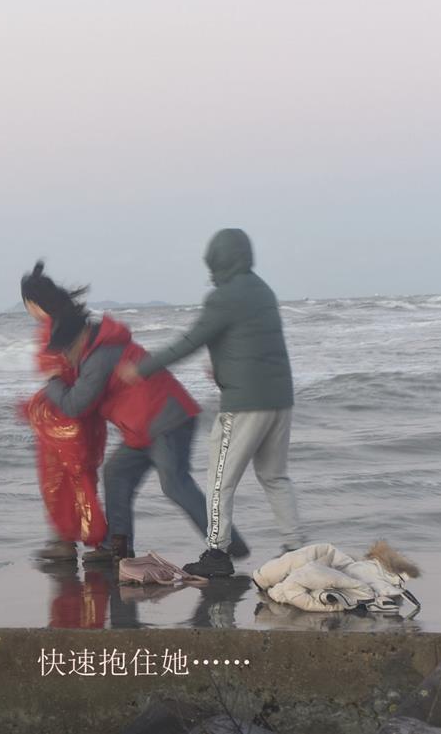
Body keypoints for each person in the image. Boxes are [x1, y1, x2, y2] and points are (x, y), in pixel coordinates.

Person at [121, 228, 303, 578]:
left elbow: (189, 341)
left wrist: (141, 368)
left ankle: (217, 554)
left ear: (219, 260)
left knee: (220, 480)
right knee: (274, 476)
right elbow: (252, 346)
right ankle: (296, 547)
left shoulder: (224, 297)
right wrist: (220, 369)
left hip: (244, 404)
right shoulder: (263, 290)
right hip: (280, 400)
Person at [42, 310, 248, 562]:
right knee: (116, 473)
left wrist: (53, 382)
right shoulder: (99, 349)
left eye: (66, 349)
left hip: (166, 421)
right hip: (142, 429)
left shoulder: (99, 357)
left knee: (175, 485)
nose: (65, 356)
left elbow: (75, 405)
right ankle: (118, 548)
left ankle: (228, 544)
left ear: (80, 338)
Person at [19, 262, 109, 562]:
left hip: (63, 418)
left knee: (57, 480)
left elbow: (55, 376)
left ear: (33, 303)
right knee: (83, 478)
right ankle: (91, 540)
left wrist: (38, 405)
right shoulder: (78, 323)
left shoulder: (51, 330)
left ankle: (70, 541)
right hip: (88, 413)